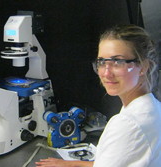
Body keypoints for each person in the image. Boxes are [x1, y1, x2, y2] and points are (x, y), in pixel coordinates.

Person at [35, 24, 161, 167]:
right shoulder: (152, 108)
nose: (106, 73)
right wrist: (71, 164)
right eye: (101, 62)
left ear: (143, 67)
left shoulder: (128, 123)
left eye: (117, 62)